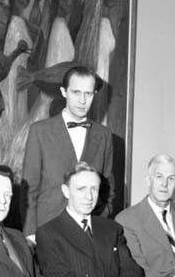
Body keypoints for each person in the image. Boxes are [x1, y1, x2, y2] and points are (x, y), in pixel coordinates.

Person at [21, 65, 115, 241]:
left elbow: (108, 186)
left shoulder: (103, 135)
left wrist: (101, 219)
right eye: (76, 92)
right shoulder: (40, 131)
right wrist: (31, 233)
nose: (82, 100)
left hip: (89, 232)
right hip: (48, 229)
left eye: (88, 94)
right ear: (64, 92)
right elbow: (29, 187)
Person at [36, 162, 143, 277]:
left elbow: (131, 268)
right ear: (66, 191)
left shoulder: (111, 227)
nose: (89, 197)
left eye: (94, 189)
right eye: (81, 189)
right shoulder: (49, 232)